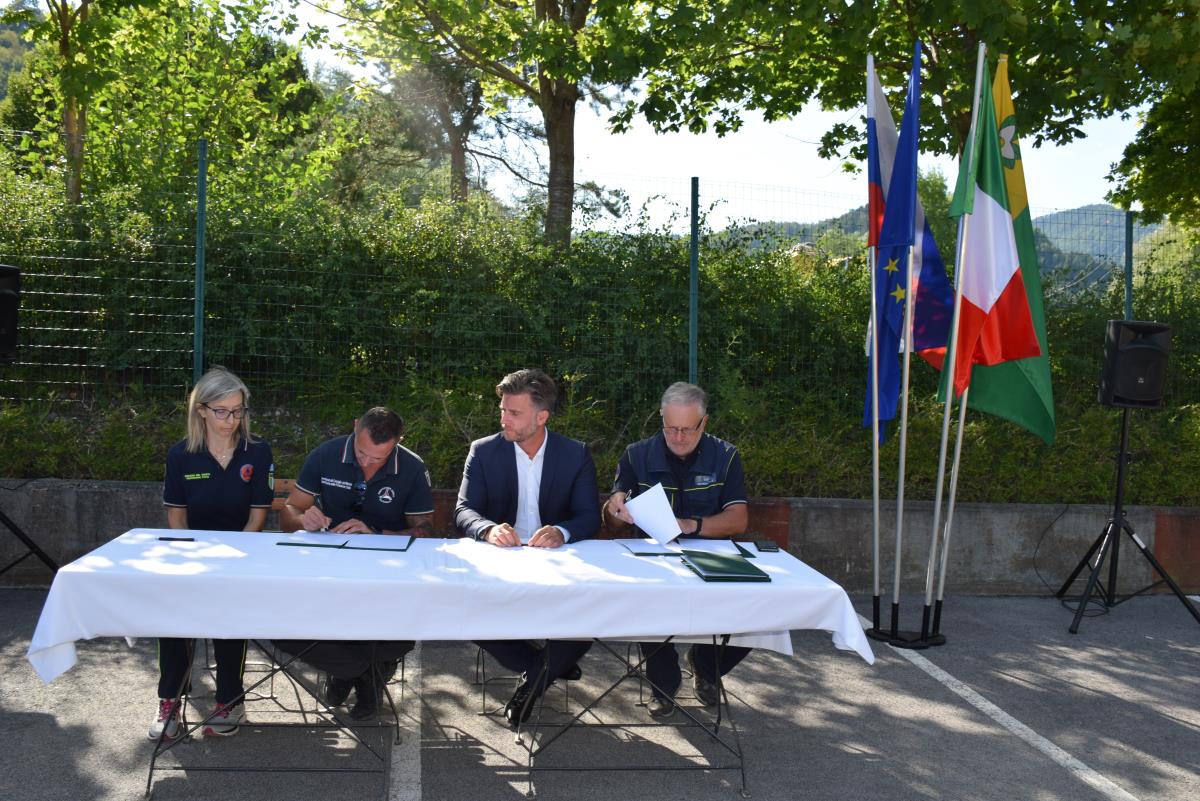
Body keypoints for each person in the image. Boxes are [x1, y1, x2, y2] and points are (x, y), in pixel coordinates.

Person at [455, 368, 600, 726]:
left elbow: (588, 516)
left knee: (591, 611)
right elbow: (464, 510)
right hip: (501, 560)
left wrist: (562, 532)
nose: (503, 418)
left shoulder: (574, 454)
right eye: (503, 410)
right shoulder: (484, 451)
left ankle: (533, 683)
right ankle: (548, 665)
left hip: (560, 563)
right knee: (462, 607)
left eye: (514, 413)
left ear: (542, 417)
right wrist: (488, 529)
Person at [275, 407, 434, 720]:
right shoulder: (326, 454)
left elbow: (427, 531)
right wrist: (303, 520)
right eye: (362, 453)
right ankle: (364, 673)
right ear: (355, 427)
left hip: (389, 574)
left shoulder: (412, 467)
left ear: (398, 442)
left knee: (401, 633)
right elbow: (289, 513)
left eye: (378, 458)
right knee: (282, 626)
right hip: (329, 569)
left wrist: (377, 533)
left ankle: (351, 673)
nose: (367, 462)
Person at [604, 381, 751, 719]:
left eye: (687, 429)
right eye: (671, 428)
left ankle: (706, 664)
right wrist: (613, 509)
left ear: (705, 422)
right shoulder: (636, 454)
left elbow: (738, 519)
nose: (679, 437)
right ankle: (662, 686)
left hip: (712, 556)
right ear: (661, 418)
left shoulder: (726, 455)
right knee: (649, 602)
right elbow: (612, 523)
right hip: (652, 559)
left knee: (758, 609)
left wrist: (691, 525)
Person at [152, 366, 274, 740]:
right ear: (201, 410)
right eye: (222, 411)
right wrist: (193, 560)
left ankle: (230, 700)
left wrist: (231, 561)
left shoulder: (258, 452)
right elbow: (177, 517)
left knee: (229, 612)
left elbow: (257, 518)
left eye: (238, 411)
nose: (231, 420)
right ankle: (169, 700)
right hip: (192, 557)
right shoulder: (181, 455)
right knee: (171, 615)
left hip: (241, 556)